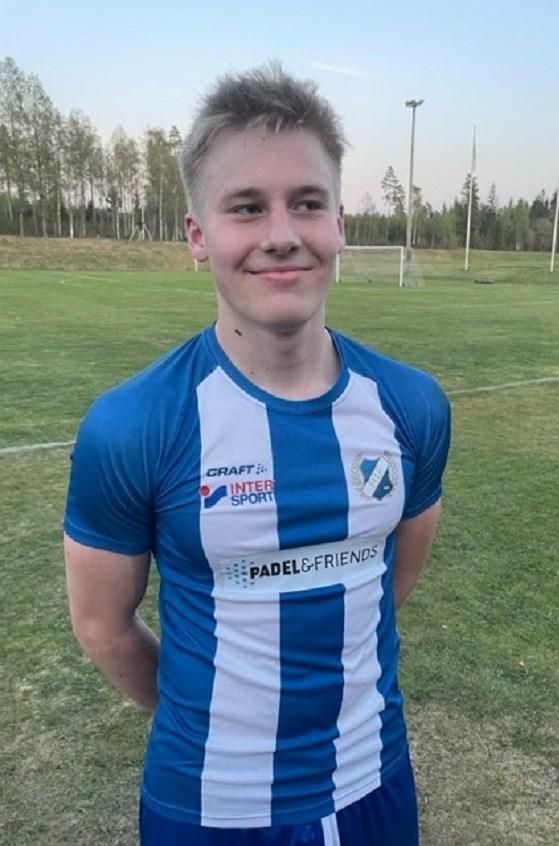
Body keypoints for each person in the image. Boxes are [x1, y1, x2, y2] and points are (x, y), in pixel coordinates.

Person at [64, 62, 451, 846]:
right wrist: (215, 716)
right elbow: (104, 628)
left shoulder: (411, 405)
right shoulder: (133, 426)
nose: (281, 233)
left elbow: (389, 584)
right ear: (198, 236)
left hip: (375, 784)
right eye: (247, 207)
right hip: (210, 806)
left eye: (306, 203)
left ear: (338, 223)